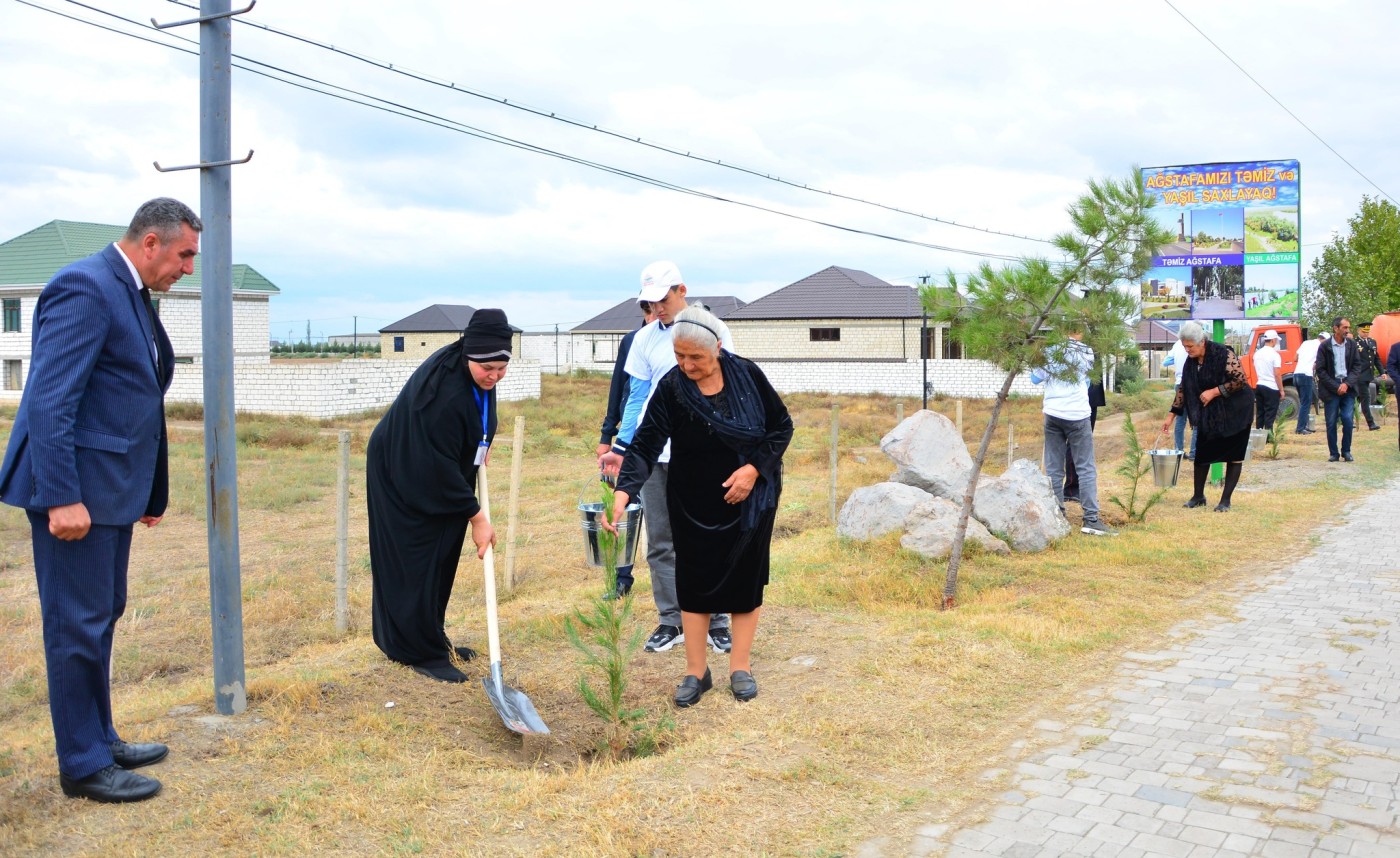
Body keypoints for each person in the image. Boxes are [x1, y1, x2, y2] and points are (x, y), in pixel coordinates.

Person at [0, 198, 191, 803]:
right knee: (75, 625)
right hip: (75, 495)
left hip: (110, 492)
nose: (188, 268)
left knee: (101, 614)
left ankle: (99, 736)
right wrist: (61, 497)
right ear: (151, 243)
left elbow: (133, 395)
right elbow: (51, 400)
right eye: (185, 254)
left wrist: (147, 489)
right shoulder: (85, 286)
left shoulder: (130, 291)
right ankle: (81, 764)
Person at [604, 305, 793, 706]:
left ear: (718, 349)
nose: (687, 365)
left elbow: (781, 427)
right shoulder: (672, 388)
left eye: (696, 358)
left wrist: (753, 471)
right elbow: (645, 444)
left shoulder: (748, 375)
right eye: (679, 356)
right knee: (693, 582)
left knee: (745, 579)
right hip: (691, 500)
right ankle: (696, 672)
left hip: (750, 501)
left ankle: (739, 667)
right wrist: (623, 494)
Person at [365, 309, 513, 683]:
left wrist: (482, 441)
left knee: (442, 555)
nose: (494, 375)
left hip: (439, 467)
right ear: (469, 356)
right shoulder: (443, 396)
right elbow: (437, 465)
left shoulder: (470, 371)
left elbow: (477, 415)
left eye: (501, 367)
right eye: (487, 368)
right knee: (416, 559)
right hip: (403, 472)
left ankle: (432, 637)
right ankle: (417, 652)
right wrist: (477, 517)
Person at [599, 261, 735, 655]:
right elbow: (636, 397)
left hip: (705, 452)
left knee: (711, 537)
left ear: (681, 290)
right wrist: (621, 447)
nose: (657, 308)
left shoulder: (713, 330)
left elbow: (729, 388)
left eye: (662, 299)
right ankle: (671, 620)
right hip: (658, 455)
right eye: (649, 302)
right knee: (661, 541)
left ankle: (718, 622)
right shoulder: (644, 340)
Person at [595, 300, 657, 599]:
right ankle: (622, 578)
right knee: (623, 503)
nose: (651, 317)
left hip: (662, 437)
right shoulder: (633, 341)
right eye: (646, 312)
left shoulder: (674, 337)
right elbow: (619, 386)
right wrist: (608, 434)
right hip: (627, 439)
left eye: (654, 310)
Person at [1161, 321, 1254, 512]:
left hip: (1236, 411)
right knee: (1202, 453)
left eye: (1190, 346)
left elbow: (1240, 380)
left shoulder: (1223, 353)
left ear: (1201, 342)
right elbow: (1184, 390)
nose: (1187, 350)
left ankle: (1225, 501)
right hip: (1210, 414)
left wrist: (1215, 391)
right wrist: (1171, 416)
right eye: (1185, 346)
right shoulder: (1191, 361)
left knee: (1234, 456)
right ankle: (1198, 496)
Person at [1032, 328, 1115, 536]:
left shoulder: (1049, 350)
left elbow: (1035, 378)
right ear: (1079, 331)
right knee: (1085, 467)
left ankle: (1058, 515)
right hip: (1078, 415)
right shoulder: (1086, 352)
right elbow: (1088, 381)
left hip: (1052, 414)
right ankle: (1091, 519)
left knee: (1053, 468)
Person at [1314, 317, 1362, 463]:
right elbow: (1320, 370)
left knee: (1348, 419)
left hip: (1348, 387)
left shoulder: (1352, 345)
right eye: (1345, 328)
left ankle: (1346, 451)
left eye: (1348, 328)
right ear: (1336, 328)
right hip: (1331, 389)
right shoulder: (1325, 346)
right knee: (1331, 421)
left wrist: (1346, 384)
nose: (1348, 330)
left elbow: (1356, 367)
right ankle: (1333, 453)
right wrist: (1336, 386)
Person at [1164, 337, 1197, 458]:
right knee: (1197, 420)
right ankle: (1194, 453)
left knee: (1180, 420)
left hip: (1178, 382)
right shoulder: (1197, 344)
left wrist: (1177, 362)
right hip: (1193, 384)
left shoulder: (1178, 344)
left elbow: (1165, 362)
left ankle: (1179, 451)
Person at [1252, 329, 1284, 430]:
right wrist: (1281, 390)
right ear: (1273, 340)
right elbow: (1277, 374)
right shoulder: (1275, 355)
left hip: (1259, 384)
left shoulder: (1257, 354)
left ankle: (1259, 434)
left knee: (1260, 413)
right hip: (1271, 387)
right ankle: (1269, 437)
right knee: (1270, 414)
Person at [1292, 332, 1323, 434]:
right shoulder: (1320, 346)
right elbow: (1319, 362)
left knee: (1302, 402)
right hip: (1306, 375)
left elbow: (1295, 358)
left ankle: (1304, 425)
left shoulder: (1306, 343)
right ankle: (1300, 428)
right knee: (1306, 403)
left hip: (1296, 374)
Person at [1355, 321, 1382, 431]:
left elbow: (1376, 358)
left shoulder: (1372, 342)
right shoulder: (1354, 343)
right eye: (1364, 332)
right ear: (1358, 331)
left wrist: (1382, 372)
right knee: (1365, 399)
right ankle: (1371, 423)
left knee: (1357, 399)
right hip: (1359, 375)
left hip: (1368, 375)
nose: (1366, 334)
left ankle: (1347, 420)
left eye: (1367, 332)